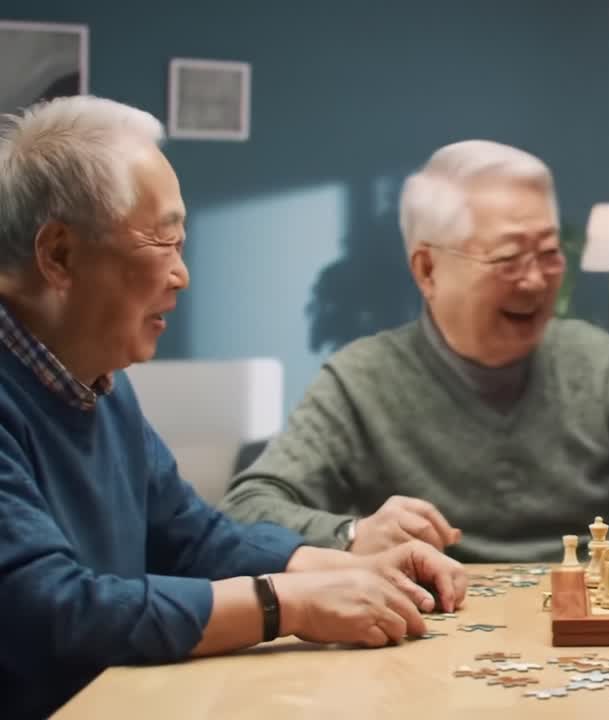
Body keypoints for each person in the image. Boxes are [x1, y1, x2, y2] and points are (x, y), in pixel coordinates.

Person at [0, 97, 470, 719]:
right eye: (162, 240)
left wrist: (352, 561)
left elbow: (191, 537)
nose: (182, 274)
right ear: (59, 254)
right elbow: (59, 611)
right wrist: (286, 603)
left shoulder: (98, 380)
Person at [219, 139, 609, 567]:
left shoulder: (598, 363)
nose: (534, 280)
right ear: (427, 271)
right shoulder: (360, 380)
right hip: (422, 645)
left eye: (550, 254)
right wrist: (352, 536)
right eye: (507, 258)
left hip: (589, 635)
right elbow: (246, 508)